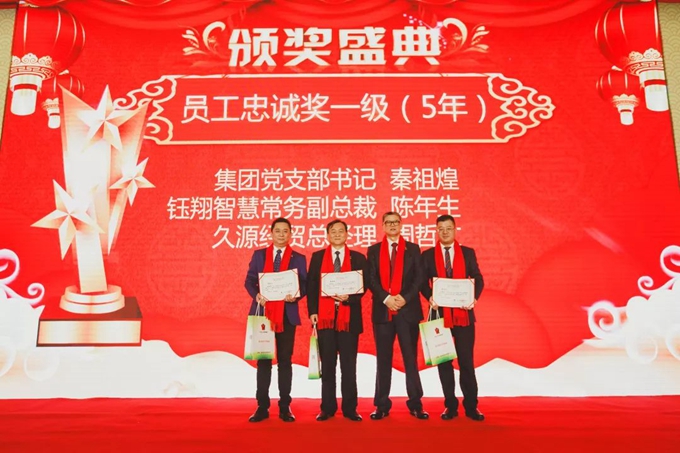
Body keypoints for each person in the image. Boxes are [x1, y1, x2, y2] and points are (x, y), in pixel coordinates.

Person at [420, 214, 485, 421]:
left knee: (466, 362)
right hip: (439, 315)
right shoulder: (427, 255)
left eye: (448, 228)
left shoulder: (467, 253)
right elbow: (422, 282)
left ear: (455, 229)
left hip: (463, 315)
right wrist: (430, 297)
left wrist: (473, 298)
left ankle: (472, 406)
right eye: (441, 228)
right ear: (436, 231)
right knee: (444, 362)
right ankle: (450, 405)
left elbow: (478, 278)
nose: (445, 232)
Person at [245, 217, 307, 423]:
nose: (281, 234)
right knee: (263, 361)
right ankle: (262, 406)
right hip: (264, 314)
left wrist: (296, 295)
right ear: (271, 233)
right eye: (277, 231)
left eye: (285, 231)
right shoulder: (259, 255)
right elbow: (249, 280)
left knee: (285, 361)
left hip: (287, 315)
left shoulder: (299, 258)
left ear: (291, 234)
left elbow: (304, 284)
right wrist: (257, 295)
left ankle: (285, 406)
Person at [367, 211, 428, 420]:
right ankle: (381, 405)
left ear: (401, 225)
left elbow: (419, 277)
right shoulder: (374, 250)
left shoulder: (413, 249)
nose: (392, 225)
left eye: (396, 222)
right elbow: (371, 279)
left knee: (410, 359)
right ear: (383, 226)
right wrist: (386, 298)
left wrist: (404, 298)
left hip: (407, 311)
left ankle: (416, 404)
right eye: (388, 222)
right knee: (383, 360)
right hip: (383, 311)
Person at [307, 219, 367, 422]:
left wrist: (349, 298)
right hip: (325, 319)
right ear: (327, 235)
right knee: (328, 366)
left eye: (341, 231)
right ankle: (327, 408)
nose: (337, 234)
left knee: (349, 366)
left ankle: (350, 409)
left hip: (349, 319)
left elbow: (364, 286)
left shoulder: (357, 258)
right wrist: (312, 311)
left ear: (347, 234)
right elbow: (312, 286)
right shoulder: (317, 257)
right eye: (333, 231)